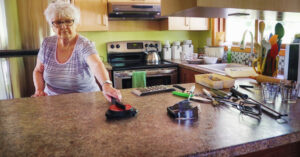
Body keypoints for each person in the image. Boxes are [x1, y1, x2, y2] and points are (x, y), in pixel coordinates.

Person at [32, 1, 121, 102]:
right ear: (52, 25)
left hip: (85, 101)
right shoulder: (47, 44)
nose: (63, 26)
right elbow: (38, 70)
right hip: (53, 102)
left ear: (76, 23)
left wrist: (106, 84)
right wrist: (39, 90)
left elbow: (96, 64)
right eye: (58, 22)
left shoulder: (84, 44)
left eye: (68, 21)